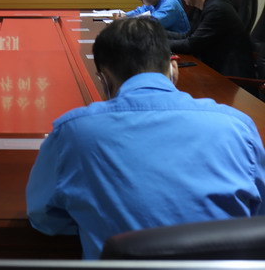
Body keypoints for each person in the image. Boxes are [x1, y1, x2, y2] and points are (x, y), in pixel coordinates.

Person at [26, 16, 265, 259]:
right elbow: (260, 214)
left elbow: (43, 216)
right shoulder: (237, 126)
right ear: (173, 69)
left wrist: (91, 219)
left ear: (104, 79)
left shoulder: (72, 131)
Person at [168, 0, 254, 78]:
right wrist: (159, 35)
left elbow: (191, 45)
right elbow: (188, 36)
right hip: (213, 68)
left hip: (230, 79)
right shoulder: (204, 4)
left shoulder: (217, 8)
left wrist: (157, 43)